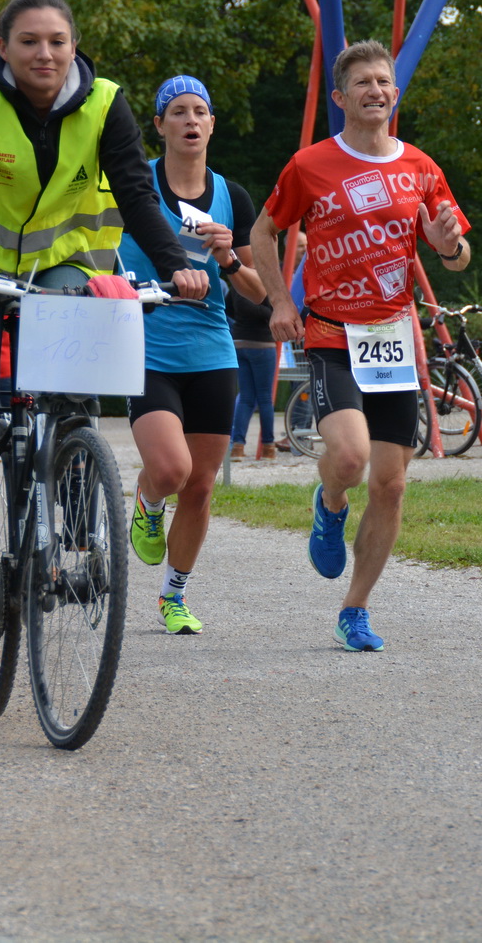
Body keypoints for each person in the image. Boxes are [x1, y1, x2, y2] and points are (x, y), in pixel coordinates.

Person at [0, 0, 208, 675]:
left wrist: (176, 265)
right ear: (3, 50)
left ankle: (70, 528)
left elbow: (136, 190)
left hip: (61, 268)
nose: (43, 53)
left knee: (71, 399)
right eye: (28, 42)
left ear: (74, 47)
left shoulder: (105, 103)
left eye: (56, 40)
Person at [250, 40, 470, 653]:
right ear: (342, 98)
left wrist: (446, 244)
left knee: (393, 484)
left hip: (391, 337)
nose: (376, 90)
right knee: (348, 458)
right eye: (363, 83)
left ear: (395, 94)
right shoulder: (310, 165)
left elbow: (457, 256)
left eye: (385, 81)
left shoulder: (421, 169)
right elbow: (263, 230)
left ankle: (356, 608)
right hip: (328, 333)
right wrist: (280, 302)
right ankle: (329, 500)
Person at [121, 75, 268, 635]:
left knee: (202, 485)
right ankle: (147, 499)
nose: (189, 120)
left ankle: (173, 596)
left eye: (198, 111)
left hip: (211, 348)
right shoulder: (133, 188)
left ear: (210, 124)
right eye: (176, 111)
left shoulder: (233, 196)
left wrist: (229, 259)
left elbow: (257, 294)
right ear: (159, 126)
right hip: (147, 344)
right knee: (171, 469)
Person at [227, 281, 279, 460]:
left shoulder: (237, 282)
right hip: (262, 343)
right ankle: (268, 447)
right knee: (265, 398)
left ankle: (238, 446)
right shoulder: (261, 282)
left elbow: (229, 309)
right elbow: (255, 310)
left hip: (239, 341)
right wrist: (272, 312)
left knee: (246, 397)